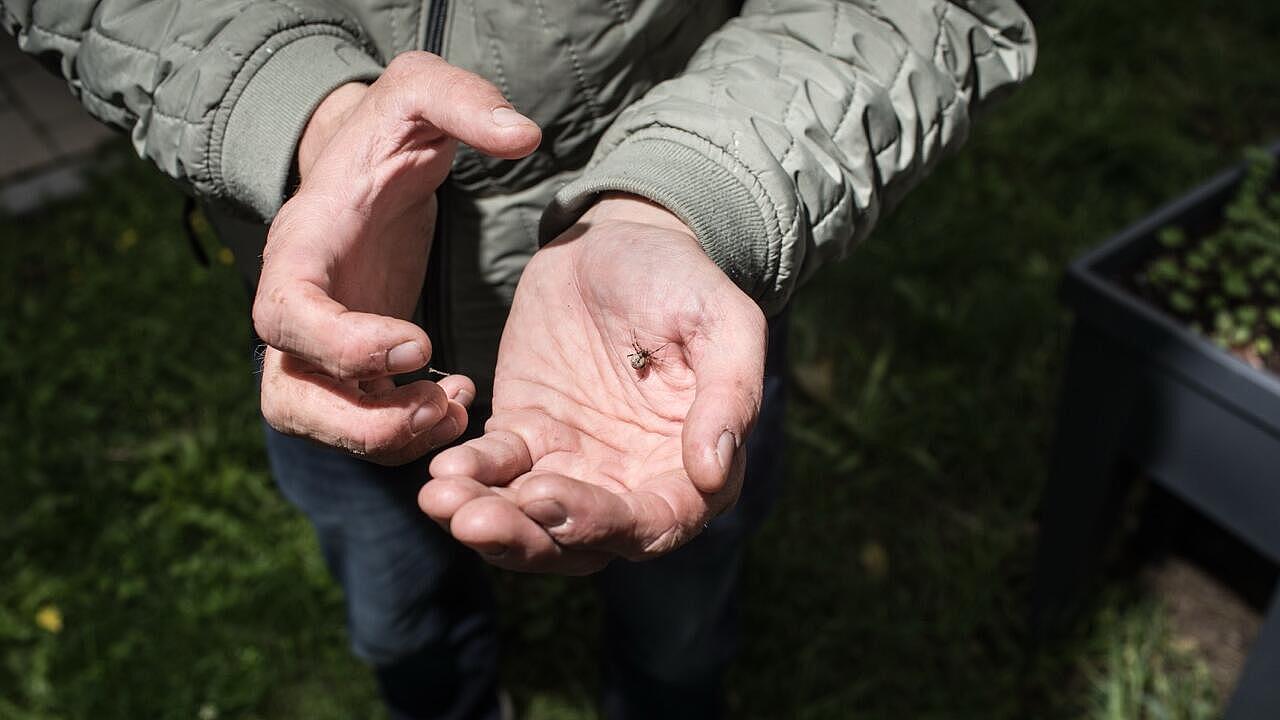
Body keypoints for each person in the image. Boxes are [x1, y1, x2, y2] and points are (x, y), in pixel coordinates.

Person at [4, 1, 1036, 717]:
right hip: (340, 320)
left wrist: (683, 197)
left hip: (673, 303)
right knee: (396, 613)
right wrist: (304, 116)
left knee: (679, 601)